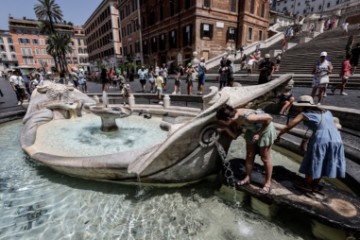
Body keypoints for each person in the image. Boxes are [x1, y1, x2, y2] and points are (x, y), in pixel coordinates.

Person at [276, 95, 345, 192]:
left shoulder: (304, 114)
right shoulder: (327, 112)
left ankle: (307, 184)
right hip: (337, 138)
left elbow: (289, 127)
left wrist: (279, 134)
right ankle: (315, 184)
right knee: (325, 161)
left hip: (322, 139)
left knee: (315, 160)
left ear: (302, 105)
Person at [216, 104, 276, 194]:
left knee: (265, 158)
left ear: (229, 119)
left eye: (223, 122)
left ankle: (268, 183)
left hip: (264, 130)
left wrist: (259, 134)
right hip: (252, 130)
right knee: (249, 155)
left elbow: (269, 118)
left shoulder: (249, 118)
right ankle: (248, 177)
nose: (222, 123)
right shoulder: (234, 116)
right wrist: (225, 129)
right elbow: (235, 136)